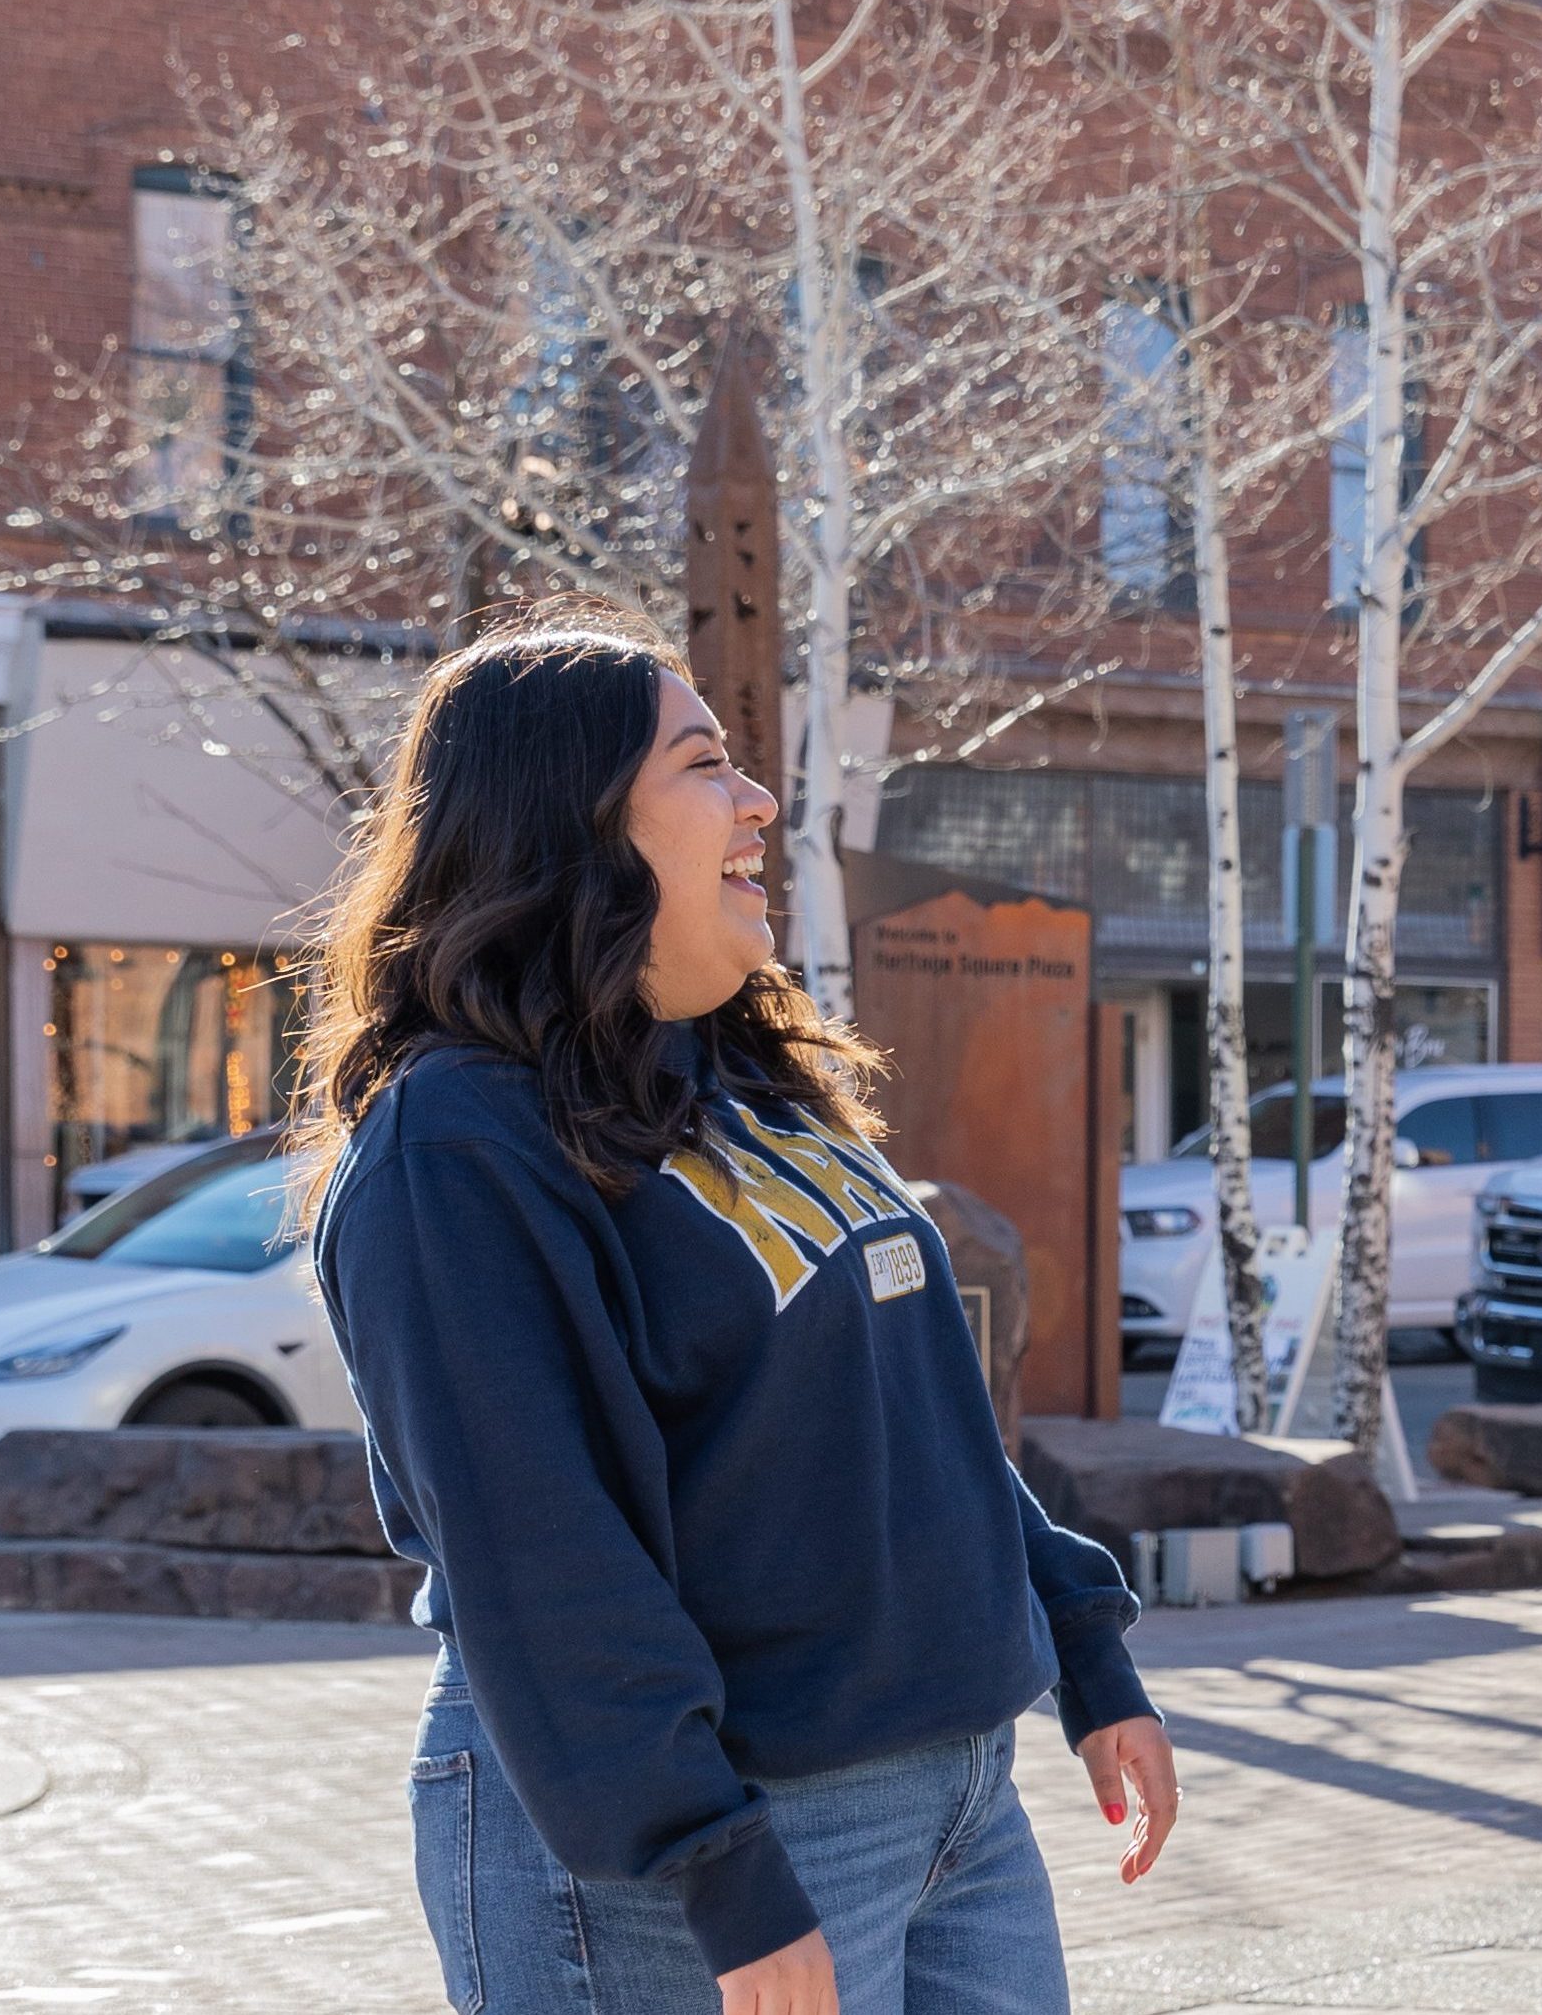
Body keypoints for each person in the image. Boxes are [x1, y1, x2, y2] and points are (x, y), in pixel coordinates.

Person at [294, 615, 1175, 2015]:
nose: (759, 799)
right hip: (698, 1845)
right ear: (568, 825)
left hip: (954, 1794)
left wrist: (1080, 1635)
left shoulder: (737, 1074)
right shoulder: (456, 1146)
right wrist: (714, 1862)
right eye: (705, 766)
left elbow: (904, 1414)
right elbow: (540, 1551)